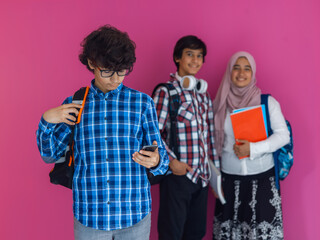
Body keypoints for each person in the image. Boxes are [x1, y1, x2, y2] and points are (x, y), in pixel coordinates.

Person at [36, 25, 169, 240]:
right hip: (90, 216)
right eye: (107, 70)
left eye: (122, 70)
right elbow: (48, 154)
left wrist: (155, 160)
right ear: (91, 63)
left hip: (135, 214)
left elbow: (163, 163)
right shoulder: (75, 104)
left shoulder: (143, 103)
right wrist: (47, 121)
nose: (115, 78)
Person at [212, 51, 290, 239]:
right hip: (229, 183)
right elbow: (211, 146)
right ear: (229, 72)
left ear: (253, 72)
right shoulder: (219, 105)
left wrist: (253, 149)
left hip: (263, 182)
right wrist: (215, 182)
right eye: (236, 68)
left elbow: (283, 136)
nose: (241, 73)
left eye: (247, 68)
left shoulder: (267, 103)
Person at [153, 35, 215, 240]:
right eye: (190, 54)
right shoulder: (166, 92)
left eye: (199, 56)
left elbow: (210, 136)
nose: (195, 60)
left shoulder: (204, 95)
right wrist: (172, 163)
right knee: (172, 234)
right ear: (177, 58)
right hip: (178, 177)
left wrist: (215, 175)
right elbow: (153, 134)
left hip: (202, 178)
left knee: (196, 234)